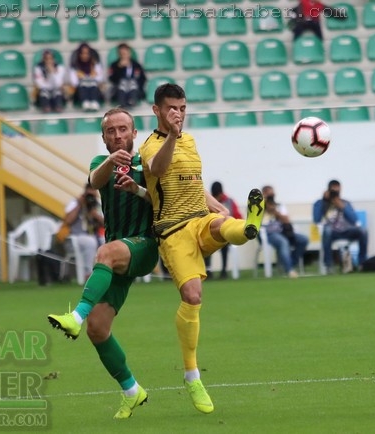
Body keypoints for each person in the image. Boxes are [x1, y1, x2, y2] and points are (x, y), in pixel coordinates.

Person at [139, 83, 265, 414]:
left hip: (198, 218)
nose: (177, 113)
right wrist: (172, 136)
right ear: (157, 111)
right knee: (192, 297)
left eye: (181, 107)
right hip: (171, 231)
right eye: (171, 108)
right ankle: (192, 375)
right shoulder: (150, 145)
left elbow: (193, 181)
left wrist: (215, 205)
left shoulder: (191, 141)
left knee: (223, 225)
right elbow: (158, 171)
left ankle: (249, 226)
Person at [47, 108, 158, 419]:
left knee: (105, 252)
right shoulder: (101, 163)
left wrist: (136, 189)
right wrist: (111, 161)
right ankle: (132, 391)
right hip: (119, 252)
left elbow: (162, 199)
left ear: (134, 133)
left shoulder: (147, 164)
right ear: (104, 138)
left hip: (145, 246)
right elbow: (95, 181)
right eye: (111, 131)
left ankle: (75, 317)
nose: (118, 135)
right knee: (99, 329)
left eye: (123, 129)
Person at [312, 180, 368, 274]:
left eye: (337, 190)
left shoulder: (345, 203)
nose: (335, 193)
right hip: (331, 232)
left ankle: (362, 263)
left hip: (346, 230)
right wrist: (324, 201)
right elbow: (316, 219)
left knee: (363, 231)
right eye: (333, 191)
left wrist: (342, 206)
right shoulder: (320, 203)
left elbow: (354, 220)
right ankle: (329, 265)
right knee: (328, 230)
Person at [260, 185, 308, 278]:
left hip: (283, 232)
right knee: (283, 242)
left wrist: (275, 212)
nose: (269, 196)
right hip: (268, 234)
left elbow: (286, 220)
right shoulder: (257, 207)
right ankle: (289, 270)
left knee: (303, 239)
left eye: (271, 193)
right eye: (266, 193)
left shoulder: (279, 206)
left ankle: (290, 263)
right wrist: (264, 207)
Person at [62, 184, 105, 278]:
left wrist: (96, 215)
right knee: (90, 242)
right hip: (77, 237)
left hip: (95, 235)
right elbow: (68, 221)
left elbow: (106, 224)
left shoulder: (98, 204)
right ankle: (88, 274)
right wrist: (80, 205)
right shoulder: (75, 202)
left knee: (106, 242)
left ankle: (105, 272)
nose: (90, 198)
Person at [204, 181, 242, 279]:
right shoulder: (207, 202)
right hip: (211, 232)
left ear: (221, 193)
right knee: (206, 243)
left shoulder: (230, 202)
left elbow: (238, 217)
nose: (216, 199)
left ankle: (224, 270)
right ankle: (208, 270)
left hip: (226, 232)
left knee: (225, 244)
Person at [109, 43, 146, 109]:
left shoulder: (136, 65)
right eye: (122, 54)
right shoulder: (114, 65)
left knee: (132, 83)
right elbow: (112, 79)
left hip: (134, 88)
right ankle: (122, 103)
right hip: (120, 89)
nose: (124, 56)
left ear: (129, 53)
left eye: (125, 53)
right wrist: (120, 68)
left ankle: (132, 100)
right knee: (123, 83)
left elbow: (142, 78)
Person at [69, 43, 105, 111]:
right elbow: (74, 83)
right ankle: (85, 102)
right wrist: (82, 77)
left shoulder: (95, 65)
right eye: (82, 53)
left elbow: (100, 79)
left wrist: (91, 77)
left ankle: (94, 101)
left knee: (92, 82)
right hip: (79, 91)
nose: (85, 55)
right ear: (79, 54)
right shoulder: (75, 67)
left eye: (87, 53)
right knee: (84, 82)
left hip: (94, 89)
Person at [33, 49, 66, 113]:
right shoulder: (38, 68)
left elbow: (58, 84)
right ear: (43, 60)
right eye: (46, 59)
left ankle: (58, 107)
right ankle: (46, 107)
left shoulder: (60, 67)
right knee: (44, 93)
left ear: (53, 59)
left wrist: (52, 72)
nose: (49, 61)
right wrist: (48, 76)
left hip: (55, 89)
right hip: (45, 90)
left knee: (57, 92)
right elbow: (40, 84)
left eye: (50, 59)